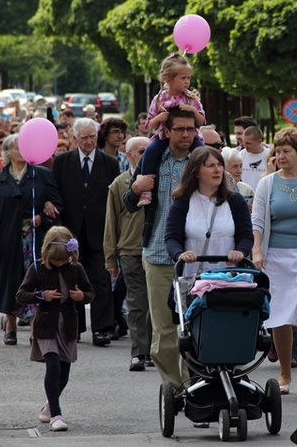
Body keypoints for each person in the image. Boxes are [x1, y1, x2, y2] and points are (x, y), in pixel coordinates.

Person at [122, 107, 196, 388]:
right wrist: (137, 188)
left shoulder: (201, 159)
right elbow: (129, 204)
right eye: (180, 129)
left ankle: (195, 387)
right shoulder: (155, 158)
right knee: (164, 331)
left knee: (193, 328)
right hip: (157, 255)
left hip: (196, 257)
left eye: (190, 129)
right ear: (168, 130)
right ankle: (176, 390)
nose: (186, 134)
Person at [251, 127, 297, 398]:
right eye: (277, 151)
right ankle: (284, 373)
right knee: (280, 316)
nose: (280, 156)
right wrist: (257, 251)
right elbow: (257, 220)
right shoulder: (267, 183)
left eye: (286, 151)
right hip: (276, 257)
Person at [0, 134, 63, 346]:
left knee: (36, 280)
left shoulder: (41, 175)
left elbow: (57, 204)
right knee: (11, 283)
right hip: (7, 239)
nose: (22, 151)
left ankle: (35, 328)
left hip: (34, 239)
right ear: (8, 152)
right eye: (18, 148)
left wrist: (43, 216)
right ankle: (11, 325)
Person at [16, 226, 95, 432]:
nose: (60, 263)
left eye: (64, 259)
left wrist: (82, 297)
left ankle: (49, 405)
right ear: (47, 253)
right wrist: (41, 295)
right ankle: (56, 415)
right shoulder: (37, 268)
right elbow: (21, 294)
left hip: (68, 326)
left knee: (64, 374)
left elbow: (90, 292)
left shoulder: (76, 268)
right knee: (53, 366)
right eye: (56, 260)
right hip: (46, 325)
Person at [52, 118, 121, 346]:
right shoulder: (62, 162)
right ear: (75, 138)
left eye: (92, 136)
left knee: (100, 280)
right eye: (84, 137)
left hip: (99, 231)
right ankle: (75, 326)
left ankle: (102, 328)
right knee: (72, 281)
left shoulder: (110, 163)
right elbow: (56, 194)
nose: (89, 141)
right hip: (71, 232)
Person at [105, 136, 154, 371]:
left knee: (158, 302)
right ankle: (139, 353)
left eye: (149, 150)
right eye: (142, 151)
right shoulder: (119, 183)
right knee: (137, 303)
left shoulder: (158, 178)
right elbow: (110, 222)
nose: (146, 154)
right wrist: (110, 257)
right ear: (129, 154)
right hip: (130, 250)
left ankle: (155, 350)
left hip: (156, 249)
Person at [165, 146, 254, 275]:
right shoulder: (182, 202)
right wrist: (180, 254)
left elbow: (246, 235)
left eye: (219, 164)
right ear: (196, 172)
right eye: (210, 165)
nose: (217, 170)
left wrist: (240, 251)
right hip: (193, 279)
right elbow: (171, 237)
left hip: (230, 278)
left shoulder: (235, 201)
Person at [137, 53, 205, 207]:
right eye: (183, 78)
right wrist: (159, 118)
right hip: (163, 137)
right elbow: (149, 125)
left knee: (202, 152)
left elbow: (201, 122)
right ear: (168, 80)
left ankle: (203, 184)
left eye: (188, 78)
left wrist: (192, 110)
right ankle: (146, 190)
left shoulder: (191, 98)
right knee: (150, 152)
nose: (187, 81)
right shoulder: (159, 99)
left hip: (191, 138)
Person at [239, 126, 268, 192]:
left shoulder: (269, 156)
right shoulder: (240, 155)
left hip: (263, 195)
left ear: (259, 141)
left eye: (248, 143)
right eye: (244, 142)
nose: (245, 145)